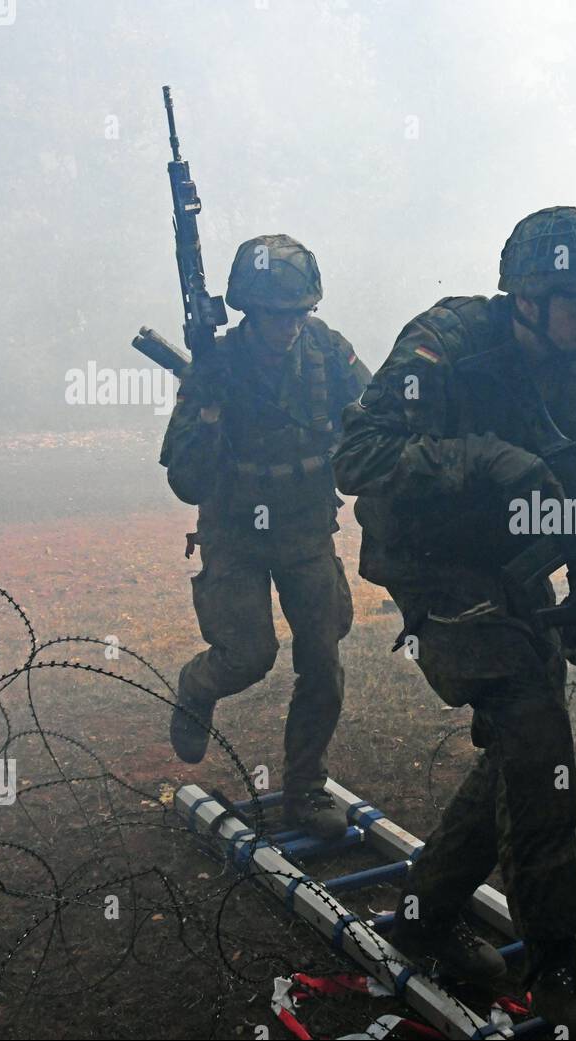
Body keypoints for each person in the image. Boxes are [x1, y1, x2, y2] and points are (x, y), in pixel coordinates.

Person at [332, 206, 576, 1036]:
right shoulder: (447, 343)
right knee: (539, 737)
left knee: (522, 741)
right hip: (435, 566)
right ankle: (556, 967)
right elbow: (356, 457)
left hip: (518, 569)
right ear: (530, 293)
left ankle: (427, 914)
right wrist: (482, 458)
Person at [160, 234, 370, 840]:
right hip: (236, 532)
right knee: (249, 657)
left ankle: (304, 789)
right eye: (276, 315)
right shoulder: (216, 366)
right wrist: (207, 411)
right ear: (249, 312)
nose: (289, 326)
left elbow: (375, 414)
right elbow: (187, 480)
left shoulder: (329, 351)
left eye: (298, 313)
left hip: (305, 528)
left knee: (324, 662)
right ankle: (197, 686)